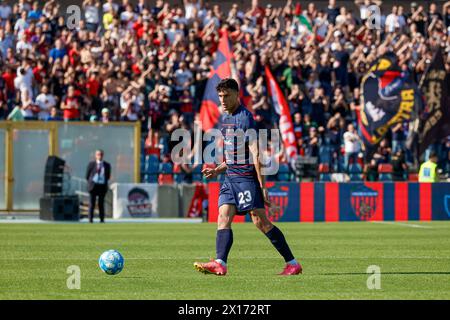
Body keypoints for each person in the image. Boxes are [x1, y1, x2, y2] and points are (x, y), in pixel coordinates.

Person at [194, 78, 302, 276]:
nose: (223, 100)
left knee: (261, 222)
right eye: (220, 96)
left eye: (226, 96)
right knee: (223, 216)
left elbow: (256, 153)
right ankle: (220, 263)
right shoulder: (226, 118)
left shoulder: (244, 118)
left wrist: (262, 186)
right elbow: (235, 153)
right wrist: (217, 170)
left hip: (245, 178)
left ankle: (292, 263)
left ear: (237, 94)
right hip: (230, 178)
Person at [86, 149, 111, 223]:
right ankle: (90, 220)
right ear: (95, 155)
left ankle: (102, 220)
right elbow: (87, 175)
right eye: (98, 154)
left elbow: (108, 176)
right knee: (92, 204)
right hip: (93, 186)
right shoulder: (91, 164)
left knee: (101, 204)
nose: (99, 156)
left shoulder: (107, 165)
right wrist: (92, 181)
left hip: (102, 186)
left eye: (101, 154)